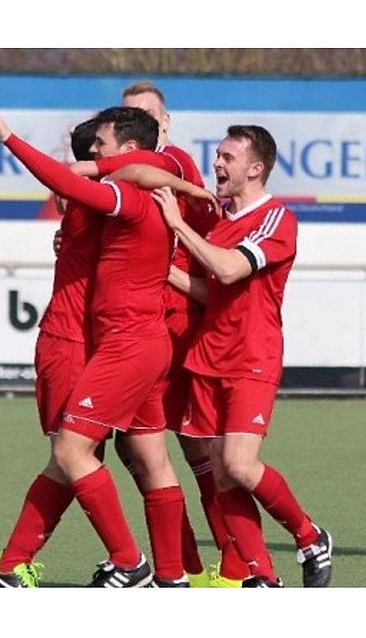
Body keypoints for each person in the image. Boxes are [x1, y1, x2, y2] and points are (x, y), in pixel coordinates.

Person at [0, 99, 201, 587]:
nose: (95, 151)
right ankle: (169, 576)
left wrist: (11, 138)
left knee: (73, 455)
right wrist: (175, 183)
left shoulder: (124, 194)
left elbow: (82, 178)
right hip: (108, 338)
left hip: (91, 341)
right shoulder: (140, 190)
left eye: (102, 143)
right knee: (133, 456)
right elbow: (144, 168)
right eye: (93, 145)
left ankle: (119, 561)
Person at [150, 125, 333, 588]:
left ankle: (309, 536)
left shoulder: (276, 219)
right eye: (216, 155)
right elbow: (208, 292)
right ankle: (262, 576)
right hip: (207, 360)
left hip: (253, 357)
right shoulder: (219, 222)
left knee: (239, 465)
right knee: (224, 479)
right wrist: (158, 268)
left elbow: (229, 269)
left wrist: (177, 227)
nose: (217, 164)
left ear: (255, 168)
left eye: (227, 157)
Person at [88, 80, 246, 586]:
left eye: (147, 118)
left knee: (198, 451)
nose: (139, 127)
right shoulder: (133, 183)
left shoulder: (170, 162)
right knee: (142, 453)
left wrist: (79, 168)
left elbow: (202, 253)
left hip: (172, 326)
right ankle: (185, 570)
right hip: (136, 325)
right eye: (126, 116)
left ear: (166, 125)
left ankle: (235, 563)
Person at [0, 118, 104, 587]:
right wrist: (9, 137)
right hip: (68, 343)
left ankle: (12, 563)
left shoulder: (106, 201)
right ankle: (128, 561)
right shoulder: (92, 199)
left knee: (77, 457)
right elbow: (59, 182)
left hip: (96, 346)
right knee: (72, 455)